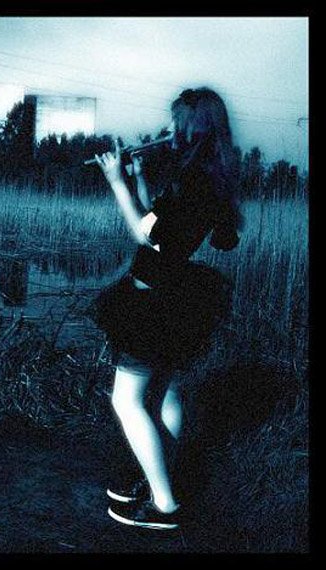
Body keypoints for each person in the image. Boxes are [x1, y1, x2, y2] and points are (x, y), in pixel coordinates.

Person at [90, 87, 243, 530]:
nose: (170, 127)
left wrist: (115, 181)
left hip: (153, 299)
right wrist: (138, 179)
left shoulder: (193, 180)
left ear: (193, 125)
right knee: (165, 394)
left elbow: (145, 236)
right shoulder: (208, 175)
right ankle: (159, 479)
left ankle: (164, 505)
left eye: (177, 119)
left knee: (127, 401)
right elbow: (161, 227)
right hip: (177, 295)